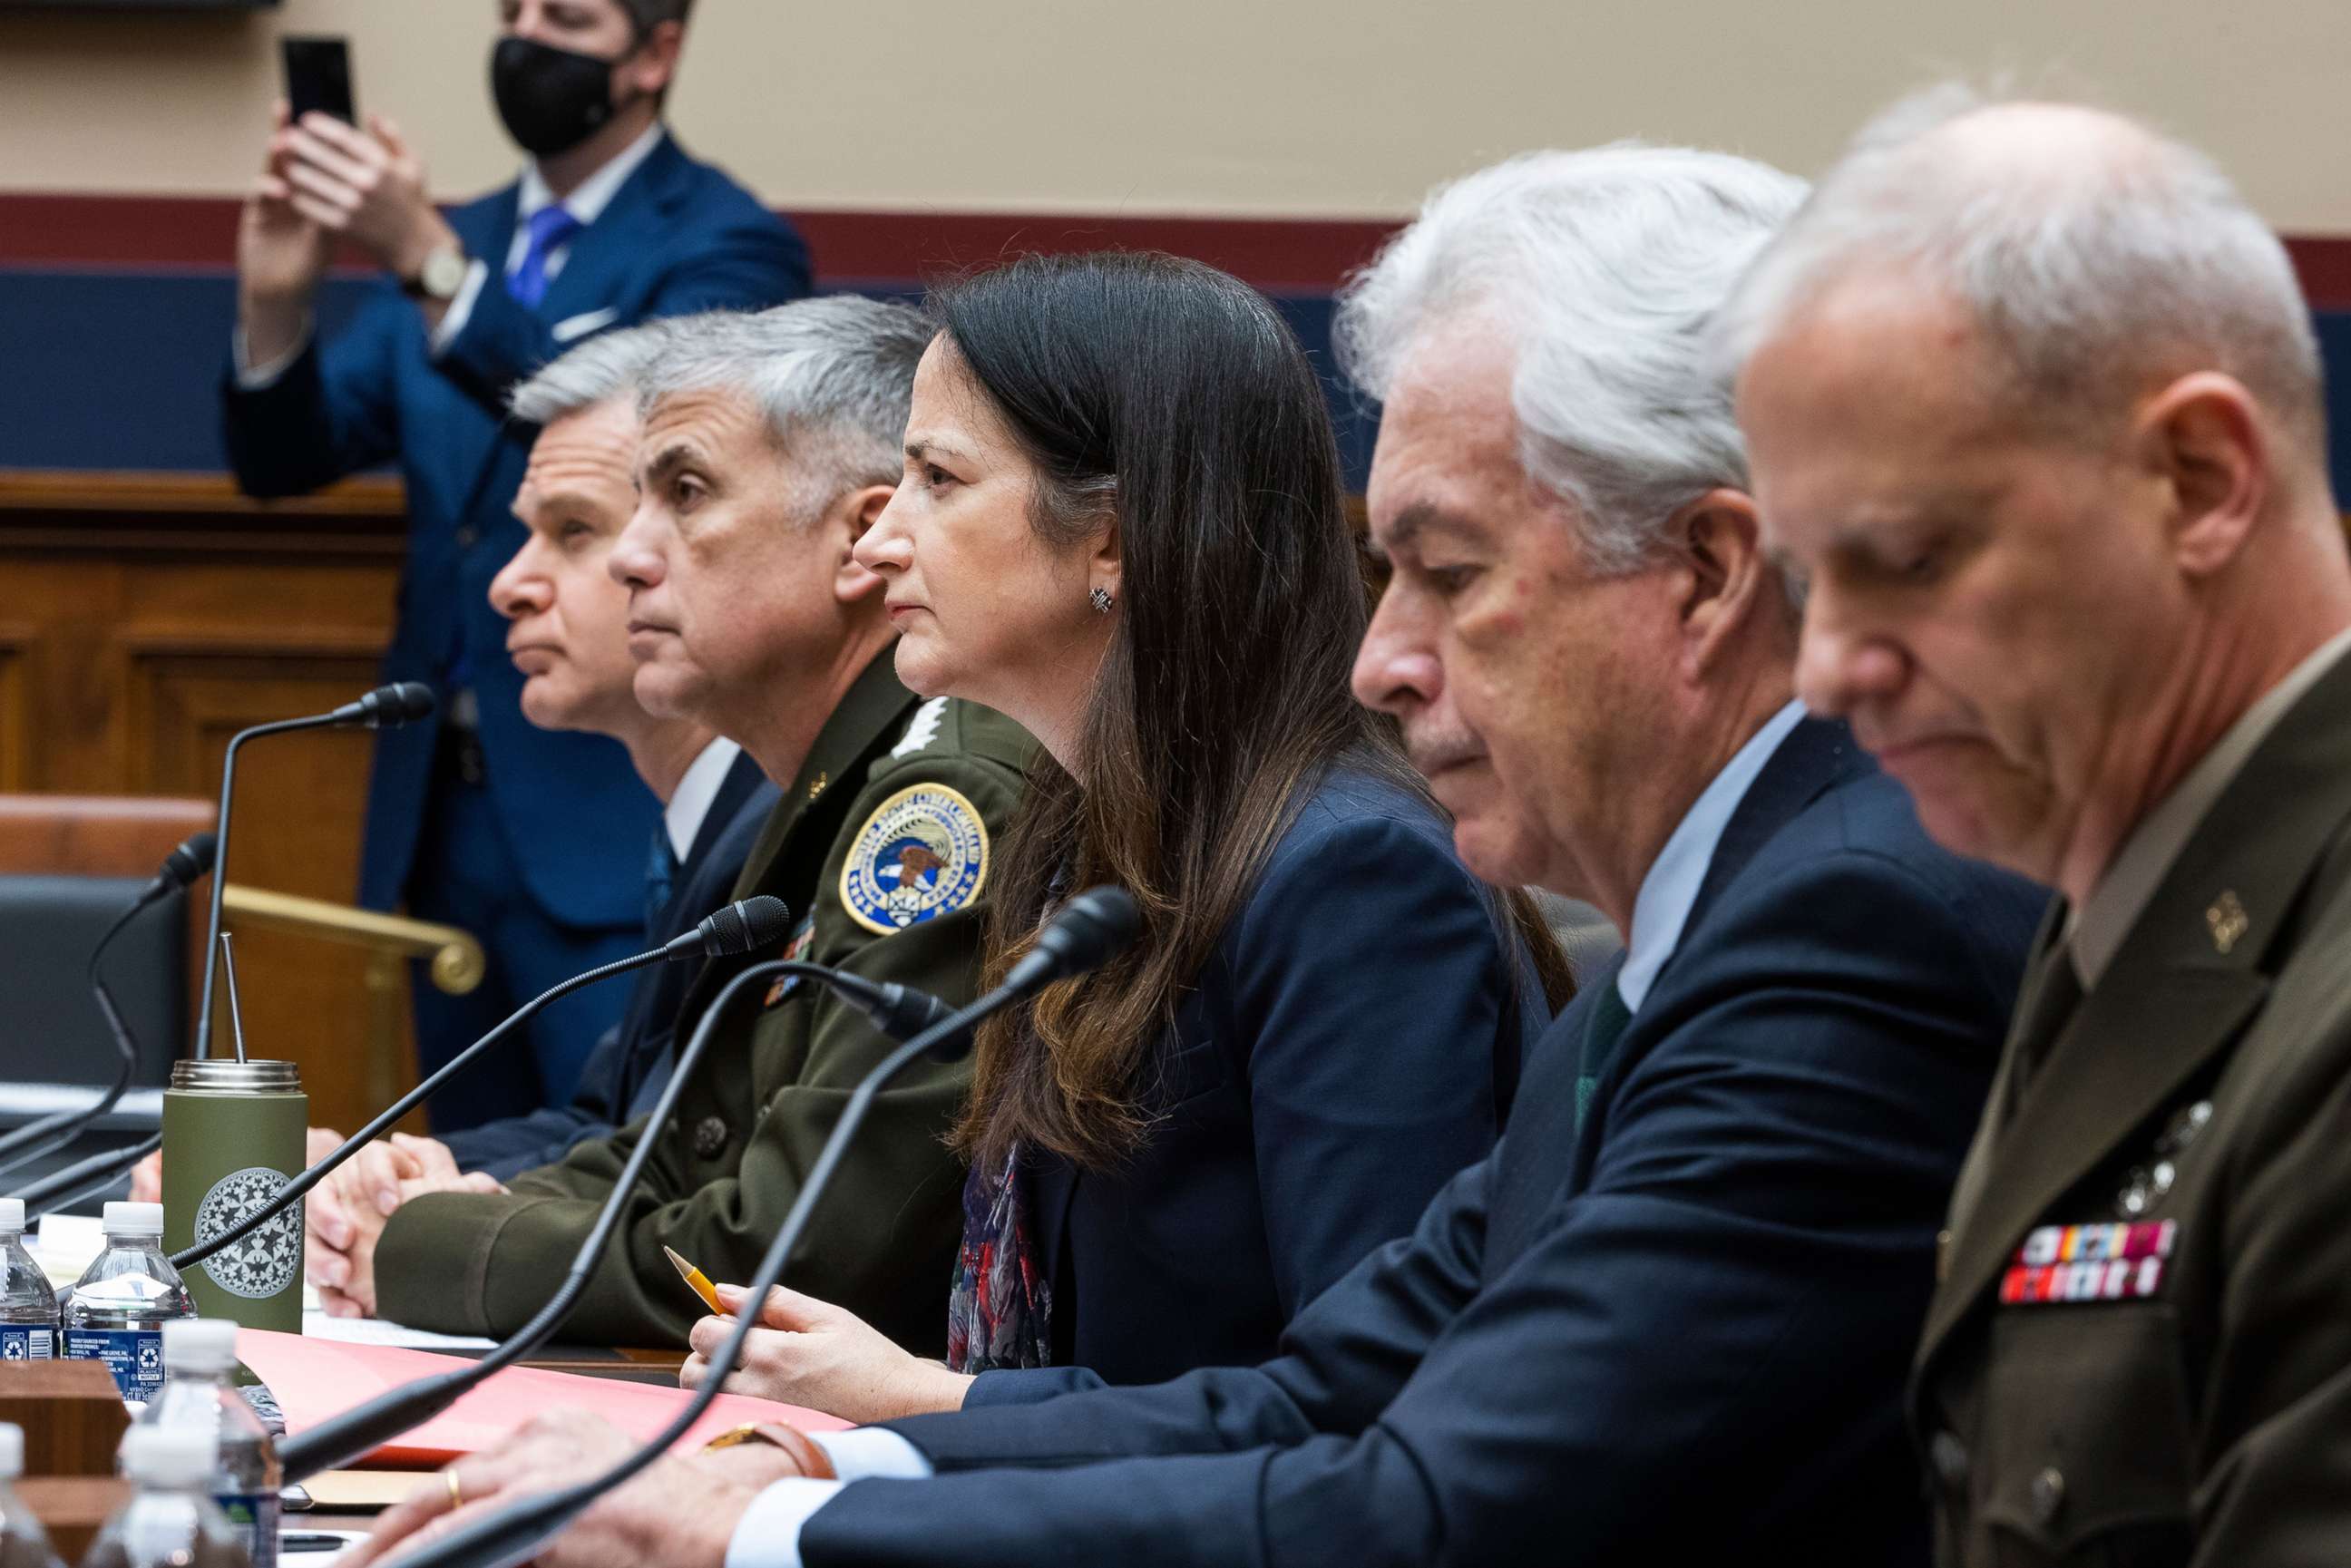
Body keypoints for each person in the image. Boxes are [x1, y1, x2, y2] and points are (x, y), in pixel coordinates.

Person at [348, 147, 2045, 1568]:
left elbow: (1428, 1488)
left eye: (1446, 572)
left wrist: (778, 1525)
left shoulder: (1829, 922)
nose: (1387, 657)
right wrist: (840, 1473)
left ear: (1704, 571)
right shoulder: (1721, 900)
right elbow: (1349, 1383)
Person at [664, 252, 1568, 1423]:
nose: (882, 540)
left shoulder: (1353, 874)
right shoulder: (1075, 834)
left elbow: (1368, 1403)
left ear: (1114, 539)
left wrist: (935, 1410)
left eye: (938, 477)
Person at [1724, 88, 2351, 1566]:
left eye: (1911, 558)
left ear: (2196, 479)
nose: (1827, 670)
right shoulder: (2121, 896)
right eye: (1810, 584)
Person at [337, 298, 1035, 1354]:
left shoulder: (936, 800)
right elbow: (678, 1154)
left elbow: (796, 1255)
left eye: (685, 495)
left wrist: (416, 1247)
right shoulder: (829, 783)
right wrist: (419, 1210)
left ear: (860, 538)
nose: (630, 558)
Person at [219, 0, 812, 1126]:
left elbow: (637, 424)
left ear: (654, 54)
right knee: (475, 1166)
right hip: (441, 813)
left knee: (616, 1150)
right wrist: (276, 296)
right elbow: (284, 459)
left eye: (570, 16)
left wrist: (432, 267)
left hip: (601, 810)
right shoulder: (464, 235)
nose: (528, 36)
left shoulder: (721, 239)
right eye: (516, 11)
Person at [135, 323, 781, 1263]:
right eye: (526, 534)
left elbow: (719, 1207)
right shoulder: (705, 822)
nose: (510, 584)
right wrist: (338, 1177)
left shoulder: (777, 828)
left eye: (573, 533)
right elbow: (601, 1130)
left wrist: (421, 1235)